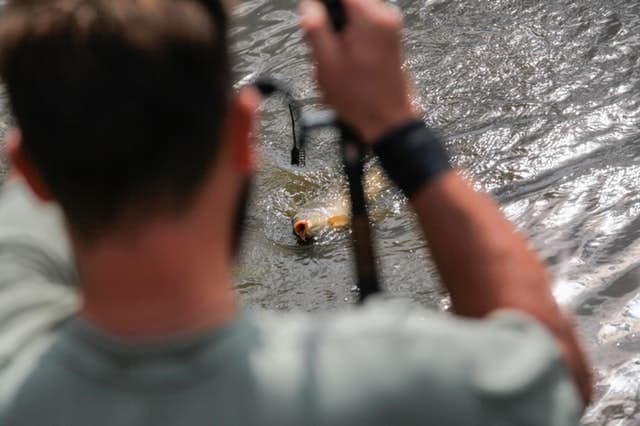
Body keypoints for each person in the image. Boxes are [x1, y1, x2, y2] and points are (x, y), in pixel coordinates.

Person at [0, 0, 591, 424]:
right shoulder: (398, 378)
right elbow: (558, 373)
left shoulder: (11, 349)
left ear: (28, 169)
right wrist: (395, 127)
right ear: (242, 134)